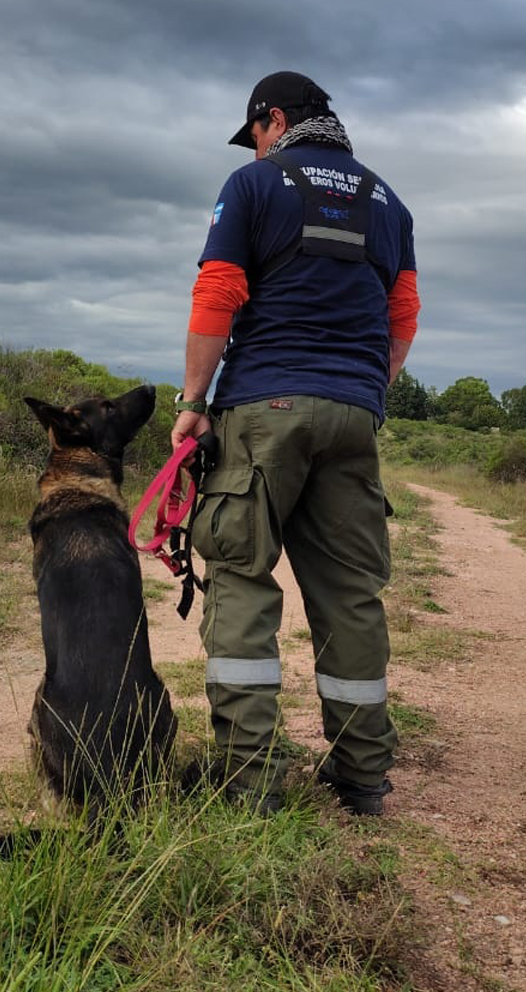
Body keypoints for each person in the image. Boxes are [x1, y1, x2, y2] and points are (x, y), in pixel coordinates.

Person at [172, 71, 420, 815]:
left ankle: (248, 782)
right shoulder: (388, 202)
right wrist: (367, 390)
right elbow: (401, 315)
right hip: (354, 414)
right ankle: (362, 779)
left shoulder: (255, 185)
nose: (253, 146)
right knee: (350, 594)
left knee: (244, 578)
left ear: (272, 119)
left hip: (265, 405)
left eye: (254, 132)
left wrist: (192, 403)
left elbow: (218, 292)